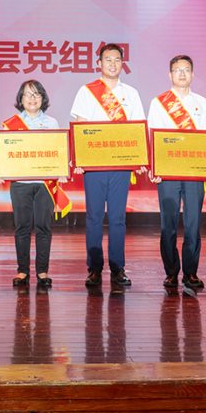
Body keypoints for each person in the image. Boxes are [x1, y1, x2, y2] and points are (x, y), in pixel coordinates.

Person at [70, 43, 146, 288]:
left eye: (117, 60)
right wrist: (80, 159)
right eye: (108, 60)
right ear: (99, 63)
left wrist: (139, 159)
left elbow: (137, 128)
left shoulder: (131, 93)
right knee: (94, 216)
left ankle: (117, 267)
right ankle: (94, 268)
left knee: (117, 218)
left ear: (122, 64)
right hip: (94, 166)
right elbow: (81, 126)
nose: (112, 64)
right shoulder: (87, 91)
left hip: (120, 165)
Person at [147, 55, 206, 293]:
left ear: (192, 74)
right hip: (168, 171)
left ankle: (190, 272)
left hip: (194, 172)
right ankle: (171, 272)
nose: (182, 74)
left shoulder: (202, 103)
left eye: (186, 70)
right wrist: (155, 167)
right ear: (170, 74)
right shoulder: (159, 103)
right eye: (177, 70)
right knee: (168, 224)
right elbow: (153, 136)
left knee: (193, 223)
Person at [0, 80, 68, 289]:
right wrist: (0, 170)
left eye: (36, 94)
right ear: (21, 99)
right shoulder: (11, 124)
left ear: (43, 98)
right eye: (27, 94)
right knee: (22, 227)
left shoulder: (52, 123)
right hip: (20, 183)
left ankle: (43, 271)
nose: (32, 98)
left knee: (44, 227)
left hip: (45, 183)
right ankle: (22, 271)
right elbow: (4, 153)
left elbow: (58, 150)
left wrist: (61, 170)